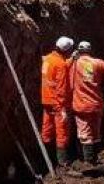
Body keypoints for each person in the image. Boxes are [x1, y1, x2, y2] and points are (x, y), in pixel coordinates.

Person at [68, 41, 104, 164]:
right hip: (96, 104)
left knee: (85, 133)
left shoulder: (74, 64)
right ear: (90, 50)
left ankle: (89, 161)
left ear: (79, 51)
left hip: (81, 105)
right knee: (95, 132)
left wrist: (71, 58)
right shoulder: (97, 63)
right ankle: (95, 156)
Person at [41, 36, 74, 166]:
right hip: (57, 102)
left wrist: (70, 61)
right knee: (62, 131)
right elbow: (61, 89)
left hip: (46, 99)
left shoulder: (47, 59)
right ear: (66, 50)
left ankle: (46, 158)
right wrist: (63, 109)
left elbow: (56, 67)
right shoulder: (60, 65)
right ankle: (63, 161)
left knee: (47, 128)